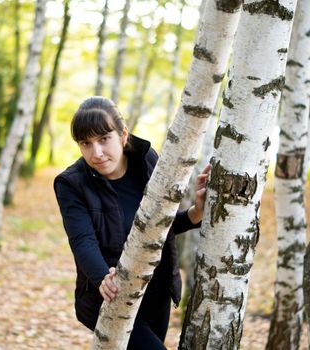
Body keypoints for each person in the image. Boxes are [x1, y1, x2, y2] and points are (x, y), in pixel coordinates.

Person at [53, 96, 209, 349]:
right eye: (86, 143)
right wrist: (103, 277)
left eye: (104, 139)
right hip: (109, 298)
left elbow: (156, 227)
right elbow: (82, 240)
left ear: (123, 135)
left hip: (156, 292)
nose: (97, 153)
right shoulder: (72, 183)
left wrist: (195, 214)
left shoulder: (148, 161)